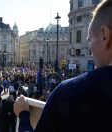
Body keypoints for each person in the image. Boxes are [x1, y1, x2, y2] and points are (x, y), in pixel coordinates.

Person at [15, 1, 112, 132]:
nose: (90, 47)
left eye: (89, 40)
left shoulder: (69, 91)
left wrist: (23, 116)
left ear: (104, 35)